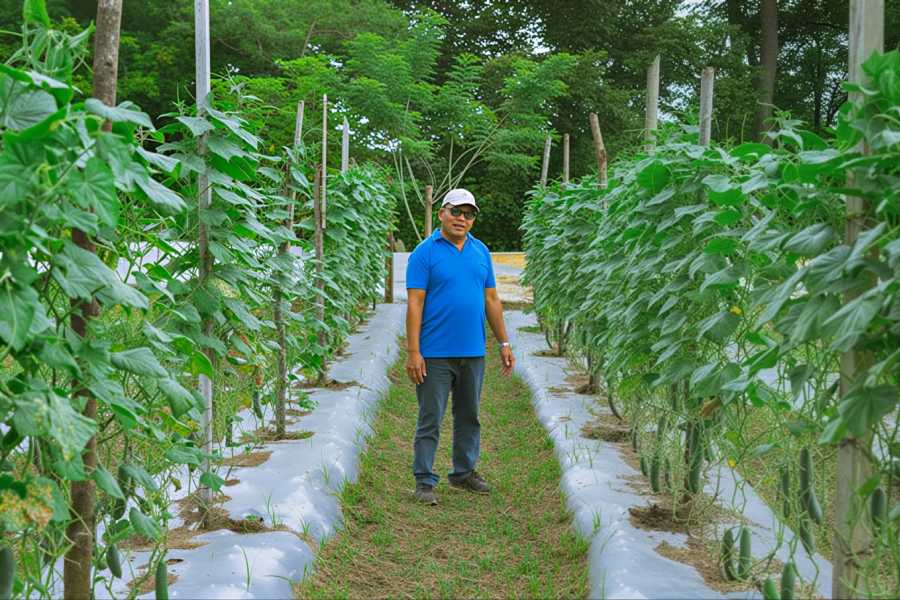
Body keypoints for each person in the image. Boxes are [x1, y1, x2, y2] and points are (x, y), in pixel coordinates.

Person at [404, 188, 515, 506]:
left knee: (470, 415)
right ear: (442, 213)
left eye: (468, 214)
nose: (462, 219)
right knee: (431, 417)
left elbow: (491, 299)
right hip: (435, 353)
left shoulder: (481, 252)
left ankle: (463, 472)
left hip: (473, 352)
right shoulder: (424, 253)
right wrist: (414, 352)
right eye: (456, 212)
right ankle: (424, 480)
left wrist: (503, 342)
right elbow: (415, 303)